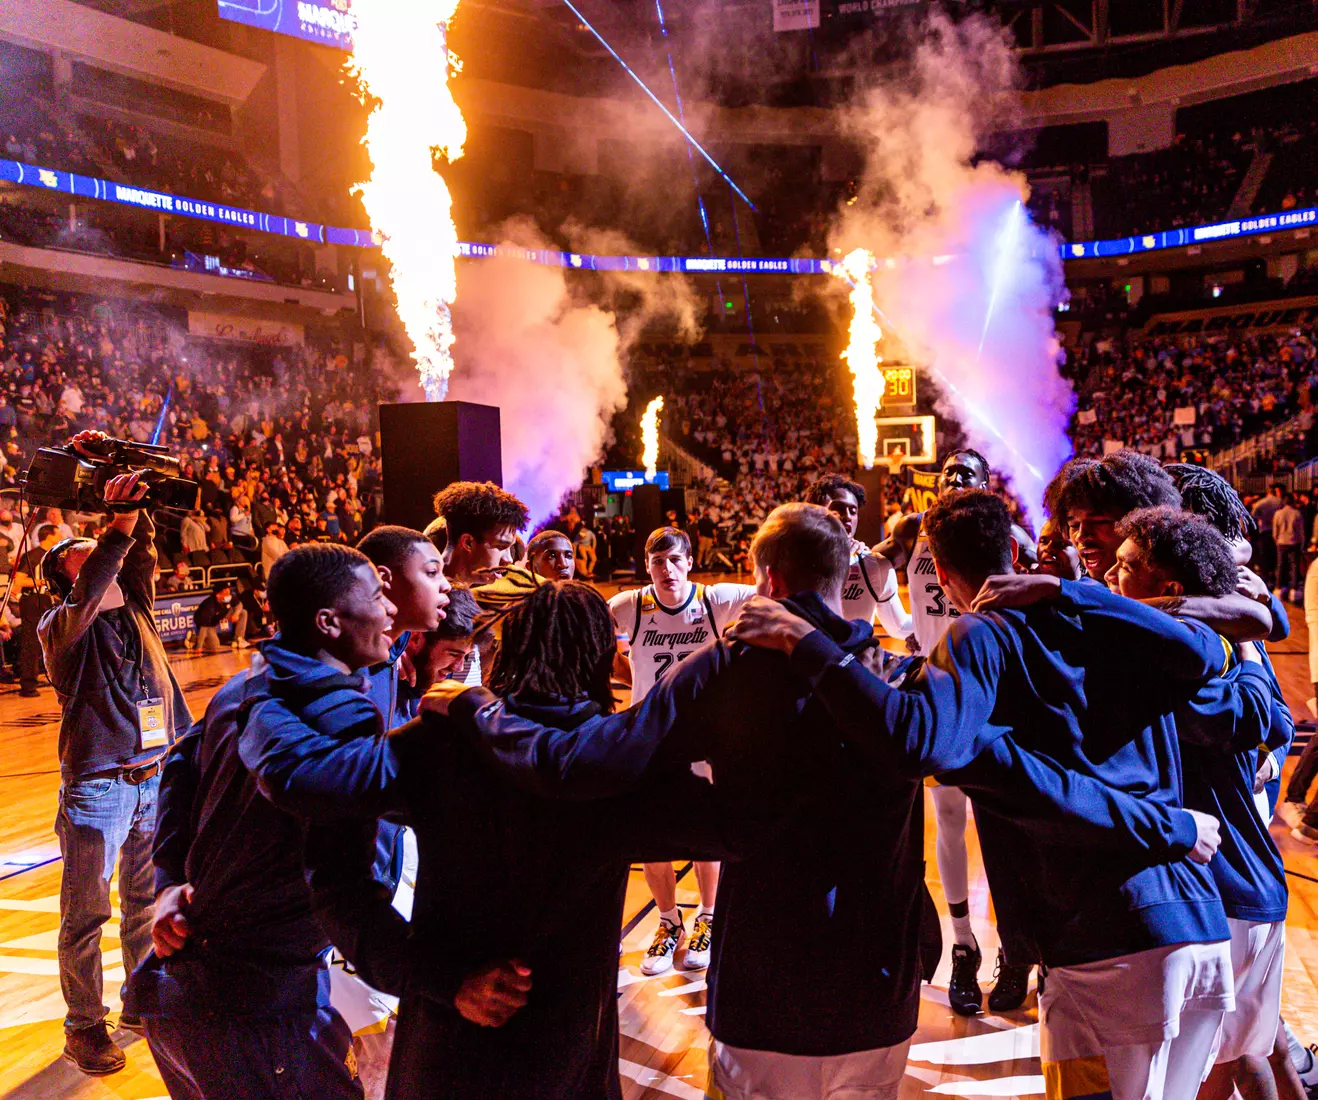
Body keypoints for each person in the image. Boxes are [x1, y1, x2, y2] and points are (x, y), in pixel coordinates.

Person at [436, 502, 1224, 1100]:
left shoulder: (727, 669)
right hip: (877, 991)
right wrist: (1169, 824)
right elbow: (1019, 776)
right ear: (842, 574)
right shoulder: (902, 681)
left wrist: (476, 708)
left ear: (766, 578)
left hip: (765, 989)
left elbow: (587, 764)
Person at [733, 490, 1253, 1100]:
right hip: (1200, 928)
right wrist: (1074, 591)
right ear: (1016, 548)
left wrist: (809, 644)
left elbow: (922, 739)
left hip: (1107, 948)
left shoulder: (980, 634)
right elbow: (1206, 647)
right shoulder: (1115, 616)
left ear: (944, 577)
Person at [239, 580, 728, 1099]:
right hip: (566, 1059)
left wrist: (435, 977)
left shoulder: (438, 743)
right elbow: (743, 825)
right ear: (606, 658)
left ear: (504, 652)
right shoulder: (614, 769)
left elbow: (334, 875)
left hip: (447, 1052)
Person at [129, 543, 397, 1099]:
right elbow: (342, 888)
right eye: (378, 595)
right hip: (255, 1007)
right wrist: (444, 980)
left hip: (182, 995)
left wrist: (167, 883)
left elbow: (179, 772)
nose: (389, 608)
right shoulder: (339, 715)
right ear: (329, 622)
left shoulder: (244, 683)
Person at [1109, 506, 1292, 1100]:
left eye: (1126, 563)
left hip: (1221, 894)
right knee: (1242, 1061)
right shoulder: (1237, 638)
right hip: (1255, 884)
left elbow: (1253, 717)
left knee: (1209, 1070)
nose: (1111, 571)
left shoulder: (1184, 657)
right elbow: (1274, 711)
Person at [38, 430, 191, 1075]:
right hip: (99, 784)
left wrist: (137, 508)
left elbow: (134, 561)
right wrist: (115, 527)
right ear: (63, 577)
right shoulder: (62, 627)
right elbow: (104, 566)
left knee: (142, 905)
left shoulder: (136, 610)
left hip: (152, 776)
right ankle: (82, 1026)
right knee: (86, 916)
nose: (99, 554)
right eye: (82, 552)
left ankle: (139, 1003)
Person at [877, 448, 1037, 1013]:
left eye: (966, 475)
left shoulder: (1006, 535)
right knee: (946, 821)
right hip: (942, 685)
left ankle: (1016, 948)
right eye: (947, 475)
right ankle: (964, 946)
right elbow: (871, 568)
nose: (954, 481)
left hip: (996, 684)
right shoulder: (913, 531)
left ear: (988, 484)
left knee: (1005, 822)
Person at [609, 526, 756, 975]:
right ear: (647, 566)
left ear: (690, 561)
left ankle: (708, 918)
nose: (667, 569)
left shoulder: (716, 599)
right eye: (658, 561)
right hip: (648, 735)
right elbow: (582, 626)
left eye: (675, 560)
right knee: (651, 833)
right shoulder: (627, 605)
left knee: (703, 831)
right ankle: (668, 921)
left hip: (705, 735)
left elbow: (776, 591)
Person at [432, 481, 530, 686]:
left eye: (510, 549)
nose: (508, 560)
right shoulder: (427, 603)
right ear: (467, 542)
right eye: (500, 547)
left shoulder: (467, 597)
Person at [804, 472, 913, 645]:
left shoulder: (875, 566)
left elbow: (899, 627)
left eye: (853, 511)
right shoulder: (795, 562)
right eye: (838, 508)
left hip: (855, 668)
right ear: (814, 512)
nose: (847, 516)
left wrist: (938, 624)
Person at [191, 583, 249, 652]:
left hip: (222, 614)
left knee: (243, 612)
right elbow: (204, 626)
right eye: (226, 594)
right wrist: (199, 647)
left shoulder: (229, 598)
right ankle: (194, 640)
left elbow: (239, 604)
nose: (229, 596)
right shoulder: (209, 606)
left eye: (229, 593)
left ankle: (239, 639)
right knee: (215, 646)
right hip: (208, 623)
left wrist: (235, 614)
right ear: (218, 595)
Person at [1272, 493, 1305, 603]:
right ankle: (1293, 591)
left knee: (1280, 565)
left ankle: (1278, 588)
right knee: (1294, 566)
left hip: (1281, 542)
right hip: (1294, 543)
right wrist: (1302, 543)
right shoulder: (1297, 513)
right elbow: (1300, 531)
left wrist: (1276, 540)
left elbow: (1275, 530)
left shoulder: (1278, 513)